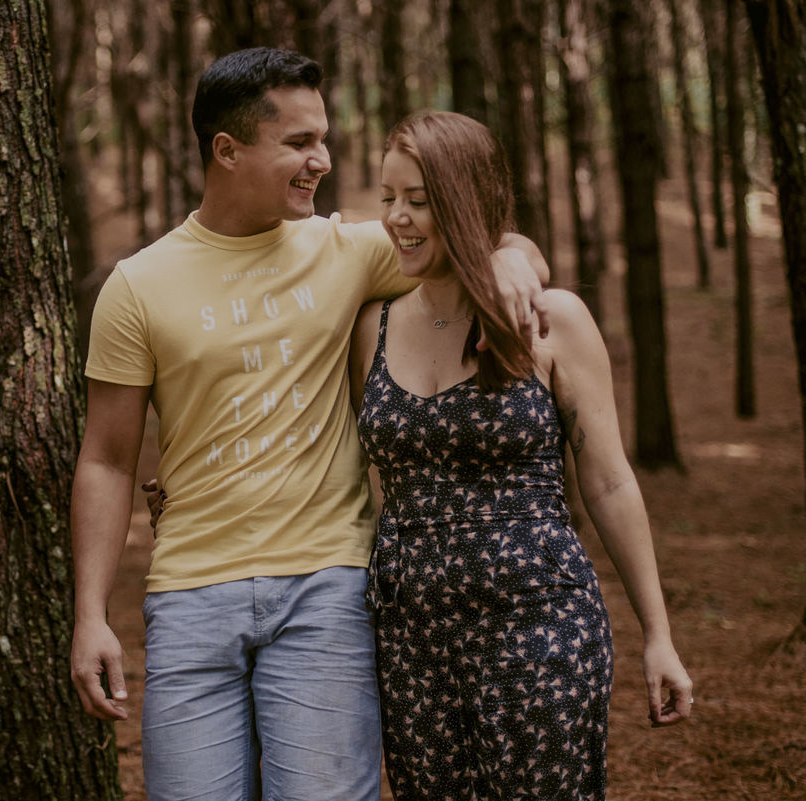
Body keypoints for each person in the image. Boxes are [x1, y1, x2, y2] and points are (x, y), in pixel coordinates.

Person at [69, 48, 547, 801]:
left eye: (322, 138)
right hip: (191, 595)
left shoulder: (349, 249)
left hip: (326, 587)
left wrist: (516, 253)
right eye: (298, 142)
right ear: (227, 150)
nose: (321, 160)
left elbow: (464, 237)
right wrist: (90, 615)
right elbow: (105, 458)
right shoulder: (137, 285)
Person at [349, 109, 693, 800]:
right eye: (387, 198)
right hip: (412, 641)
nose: (397, 218)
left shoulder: (551, 319)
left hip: (539, 627)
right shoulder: (371, 326)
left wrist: (658, 633)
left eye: (419, 200)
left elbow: (610, 481)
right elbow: (359, 478)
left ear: (466, 201)